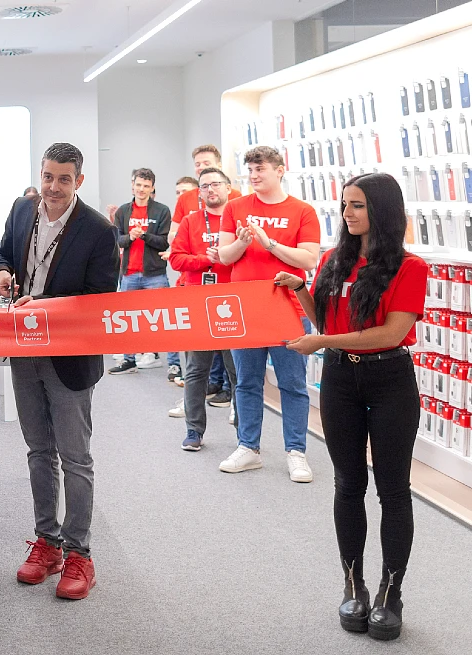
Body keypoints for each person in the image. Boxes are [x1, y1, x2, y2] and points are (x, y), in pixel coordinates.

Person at [275, 173, 426, 641]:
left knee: (393, 490)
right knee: (348, 485)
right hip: (340, 378)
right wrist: (300, 289)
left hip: (390, 380)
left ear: (381, 210)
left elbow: (390, 334)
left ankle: (390, 592)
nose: (347, 213)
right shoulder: (331, 261)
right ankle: (354, 584)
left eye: (357, 205)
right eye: (344, 204)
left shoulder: (409, 266)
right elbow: (326, 319)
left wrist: (320, 340)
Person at [0, 143, 119, 600]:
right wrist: (4, 273)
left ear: (78, 181)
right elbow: (3, 254)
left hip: (70, 358)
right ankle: (46, 543)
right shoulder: (22, 210)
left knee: (75, 459)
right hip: (24, 352)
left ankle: (79, 553)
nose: (53, 186)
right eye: (48, 176)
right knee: (38, 452)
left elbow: (99, 299)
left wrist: (43, 306)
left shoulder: (99, 230)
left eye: (63, 179)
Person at [215, 145, 321, 482]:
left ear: (280, 170)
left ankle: (296, 451)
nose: (254, 175)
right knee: (246, 381)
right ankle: (249, 447)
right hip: (244, 310)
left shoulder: (302, 211)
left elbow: (308, 260)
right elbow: (224, 256)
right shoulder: (235, 207)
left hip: (288, 310)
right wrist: (244, 243)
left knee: (292, 383)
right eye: (250, 169)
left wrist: (270, 242)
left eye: (260, 168)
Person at [169, 167, 239, 451]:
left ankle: (245, 437)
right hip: (198, 304)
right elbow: (175, 259)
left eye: (216, 184)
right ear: (199, 192)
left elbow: (248, 259)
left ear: (228, 188)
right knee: (196, 371)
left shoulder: (238, 219)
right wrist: (204, 260)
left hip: (233, 304)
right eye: (205, 186)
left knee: (238, 373)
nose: (211, 190)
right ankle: (194, 430)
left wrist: (222, 259)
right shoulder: (191, 221)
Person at [108, 168, 175, 379]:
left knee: (165, 319)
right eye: (138, 185)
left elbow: (164, 242)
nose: (142, 189)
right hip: (128, 273)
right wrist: (130, 237)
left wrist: (144, 235)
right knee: (128, 319)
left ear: (152, 187)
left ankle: (174, 365)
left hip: (154, 274)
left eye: (146, 186)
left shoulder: (162, 211)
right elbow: (117, 241)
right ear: (132, 185)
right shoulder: (123, 212)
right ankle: (129, 359)